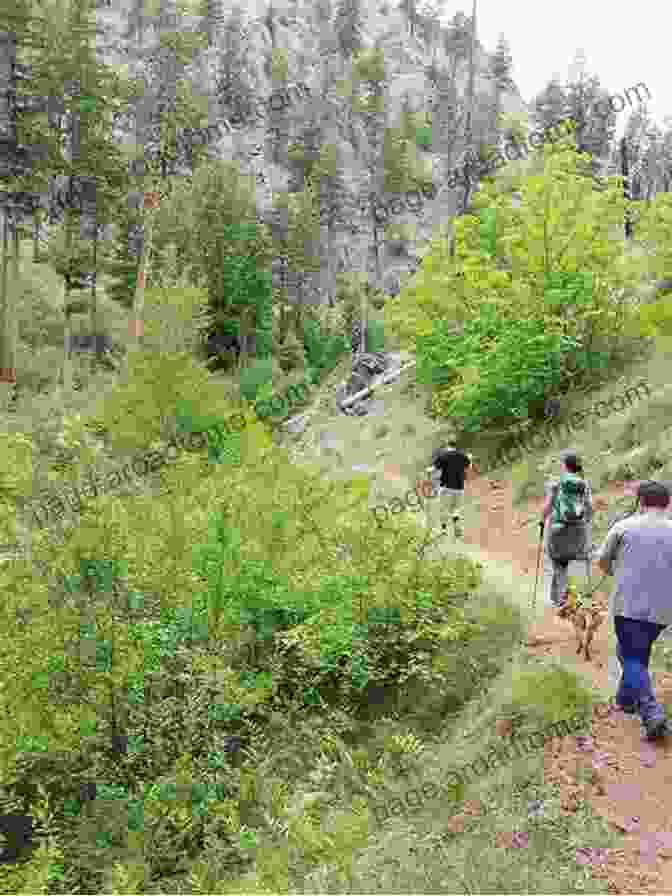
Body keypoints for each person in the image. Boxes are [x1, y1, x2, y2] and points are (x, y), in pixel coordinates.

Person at [595, 480, 672, 740]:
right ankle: (625, 699)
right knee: (636, 651)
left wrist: (616, 573)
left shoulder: (623, 527)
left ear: (640, 502)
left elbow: (603, 561)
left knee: (630, 655)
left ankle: (651, 712)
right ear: (668, 503)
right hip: (662, 609)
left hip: (627, 605)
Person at [541, 451, 593, 609]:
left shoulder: (555, 483)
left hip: (558, 530)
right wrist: (584, 524)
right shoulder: (584, 484)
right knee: (575, 563)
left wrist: (542, 520)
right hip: (578, 530)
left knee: (557, 564)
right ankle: (575, 598)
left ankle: (560, 599)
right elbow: (590, 509)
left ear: (564, 465)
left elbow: (547, 507)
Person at [426, 438, 472, 537]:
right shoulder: (462, 456)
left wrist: (428, 470)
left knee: (444, 509)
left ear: (447, 445)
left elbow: (433, 469)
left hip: (446, 487)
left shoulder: (443, 456)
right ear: (456, 446)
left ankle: (443, 530)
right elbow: (468, 466)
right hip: (459, 488)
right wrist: (469, 458)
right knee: (455, 508)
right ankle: (456, 523)